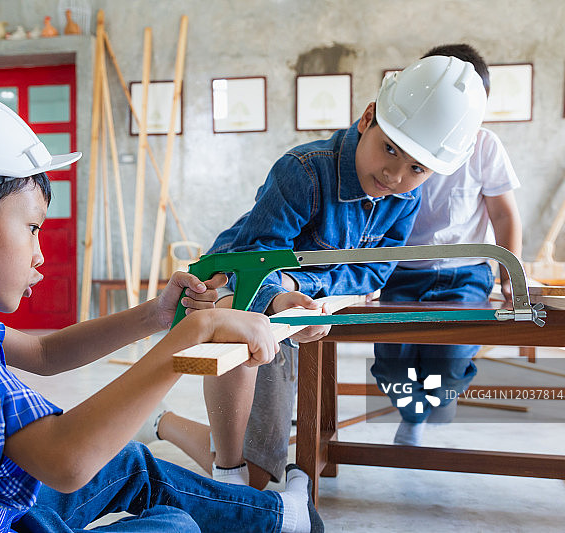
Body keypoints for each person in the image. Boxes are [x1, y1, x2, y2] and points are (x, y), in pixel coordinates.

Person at [0, 83, 324, 533]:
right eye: (33, 228)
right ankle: (281, 519)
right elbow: (66, 460)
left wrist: (156, 316)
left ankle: (279, 519)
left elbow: (41, 352)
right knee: (172, 524)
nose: (40, 254)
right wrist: (188, 338)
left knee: (129, 466)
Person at [134, 55, 490, 488]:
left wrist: (300, 286)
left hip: (298, 302)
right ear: (368, 118)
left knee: (259, 473)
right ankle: (221, 471)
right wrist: (282, 293)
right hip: (242, 287)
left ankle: (165, 425)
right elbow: (256, 256)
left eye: (417, 167)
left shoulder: (405, 198)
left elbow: (372, 276)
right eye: (390, 149)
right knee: (256, 476)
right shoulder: (303, 170)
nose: (395, 175)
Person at [371, 44, 523, 446]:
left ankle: (441, 395)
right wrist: (365, 275)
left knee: (449, 356)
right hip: (400, 273)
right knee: (393, 361)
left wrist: (512, 276)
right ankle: (412, 412)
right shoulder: (397, 141)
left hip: (465, 272)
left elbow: (505, 214)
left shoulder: (485, 146)